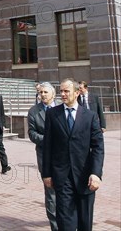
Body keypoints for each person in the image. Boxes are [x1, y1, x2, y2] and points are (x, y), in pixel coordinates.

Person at [42, 78, 104, 231]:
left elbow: (98, 147)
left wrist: (96, 174)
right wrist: (47, 174)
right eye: (61, 91)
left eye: (66, 91)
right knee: (65, 223)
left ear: (76, 93)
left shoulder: (90, 116)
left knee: (85, 222)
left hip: (85, 178)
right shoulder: (52, 114)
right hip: (62, 178)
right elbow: (47, 145)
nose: (62, 94)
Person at [28, 82, 58, 231]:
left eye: (46, 92)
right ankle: (55, 225)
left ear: (53, 93)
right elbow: (32, 134)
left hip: (65, 158)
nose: (43, 95)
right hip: (45, 157)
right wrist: (47, 139)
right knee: (51, 192)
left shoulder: (62, 108)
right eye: (41, 93)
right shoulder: (34, 111)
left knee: (66, 191)